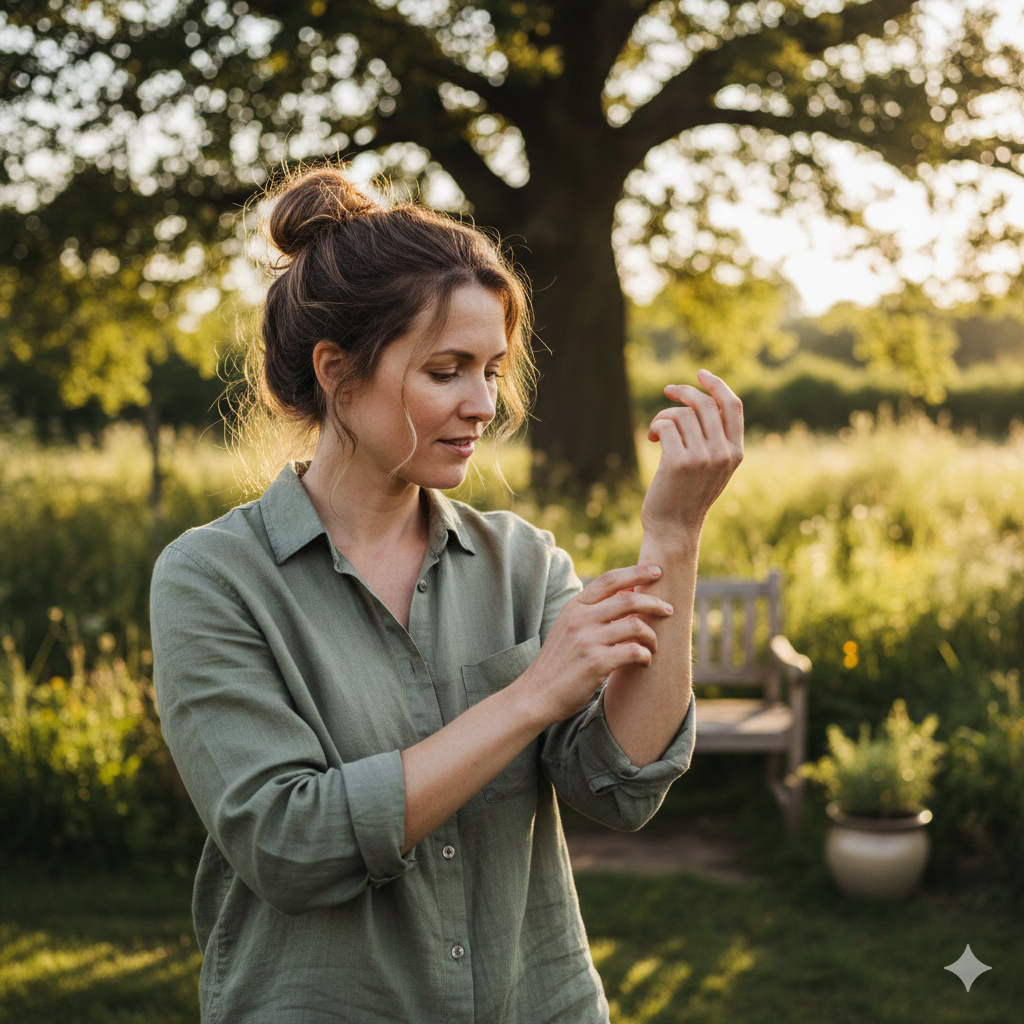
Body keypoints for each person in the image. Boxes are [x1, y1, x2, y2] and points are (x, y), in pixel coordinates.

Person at [150, 166, 744, 1024]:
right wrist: (532, 695)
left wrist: (675, 538)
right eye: (447, 371)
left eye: (493, 369)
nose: (484, 404)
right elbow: (287, 842)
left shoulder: (522, 563)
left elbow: (618, 784)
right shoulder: (212, 579)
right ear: (336, 373)